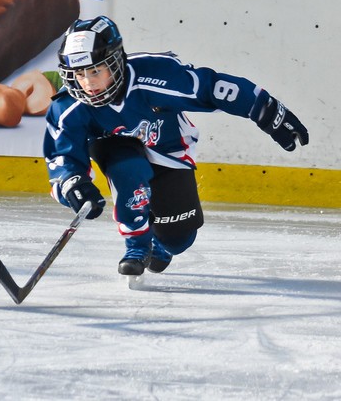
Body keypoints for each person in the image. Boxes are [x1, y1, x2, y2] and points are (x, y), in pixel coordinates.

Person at [45, 15, 309, 276]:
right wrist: (73, 183)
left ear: (115, 62)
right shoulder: (68, 107)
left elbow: (212, 88)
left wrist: (265, 110)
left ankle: (160, 245)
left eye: (95, 71)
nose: (88, 83)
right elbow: (62, 156)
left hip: (168, 149)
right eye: (79, 74)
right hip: (114, 147)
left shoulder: (155, 75)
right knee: (128, 169)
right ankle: (136, 246)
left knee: (179, 239)